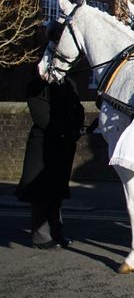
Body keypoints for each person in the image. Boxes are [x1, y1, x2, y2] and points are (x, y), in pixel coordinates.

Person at [15, 75, 85, 249]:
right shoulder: (37, 85)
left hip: (64, 144)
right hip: (43, 144)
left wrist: (76, 127)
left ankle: (56, 233)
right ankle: (41, 238)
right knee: (41, 192)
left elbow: (78, 108)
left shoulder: (69, 83)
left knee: (57, 192)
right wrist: (64, 131)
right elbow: (41, 116)